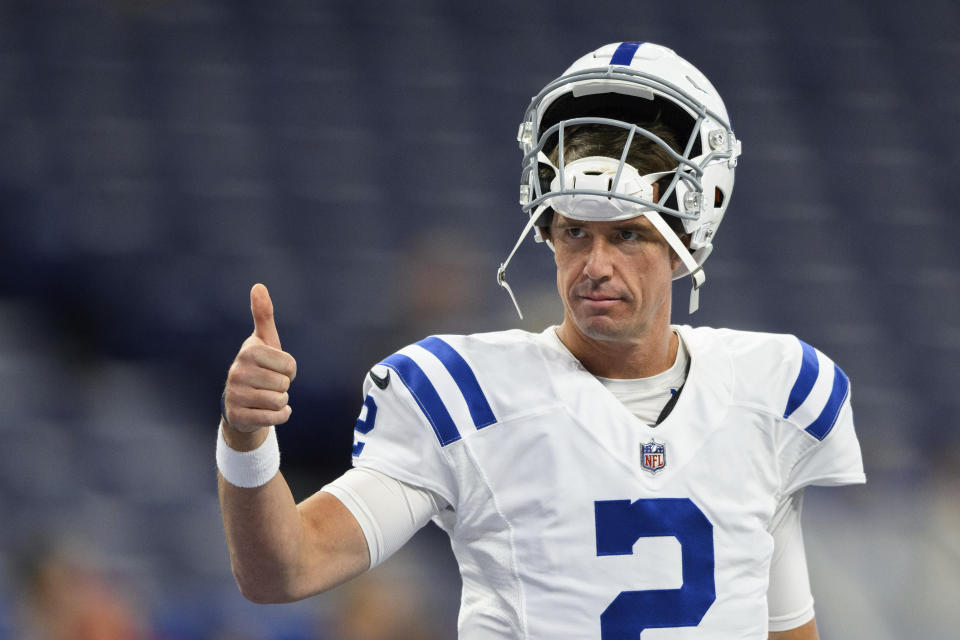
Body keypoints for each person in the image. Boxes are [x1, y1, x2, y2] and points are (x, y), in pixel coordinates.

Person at [216, 42, 865, 639]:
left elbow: (785, 625)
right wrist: (245, 439)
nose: (596, 264)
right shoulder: (467, 393)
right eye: (575, 232)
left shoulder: (768, 388)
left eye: (628, 234)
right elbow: (285, 570)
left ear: (687, 240)